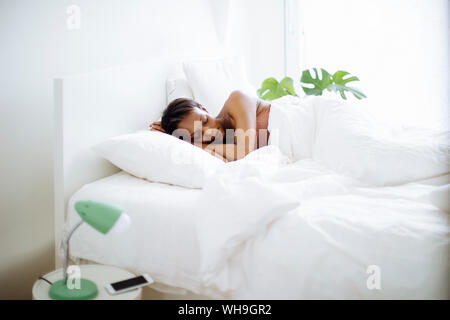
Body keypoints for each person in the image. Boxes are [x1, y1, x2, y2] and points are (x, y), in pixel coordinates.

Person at [150, 90, 271, 161]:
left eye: (205, 121)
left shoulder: (237, 99)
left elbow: (244, 154)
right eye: (198, 134)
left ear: (204, 109)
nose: (209, 132)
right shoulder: (220, 146)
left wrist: (194, 143)